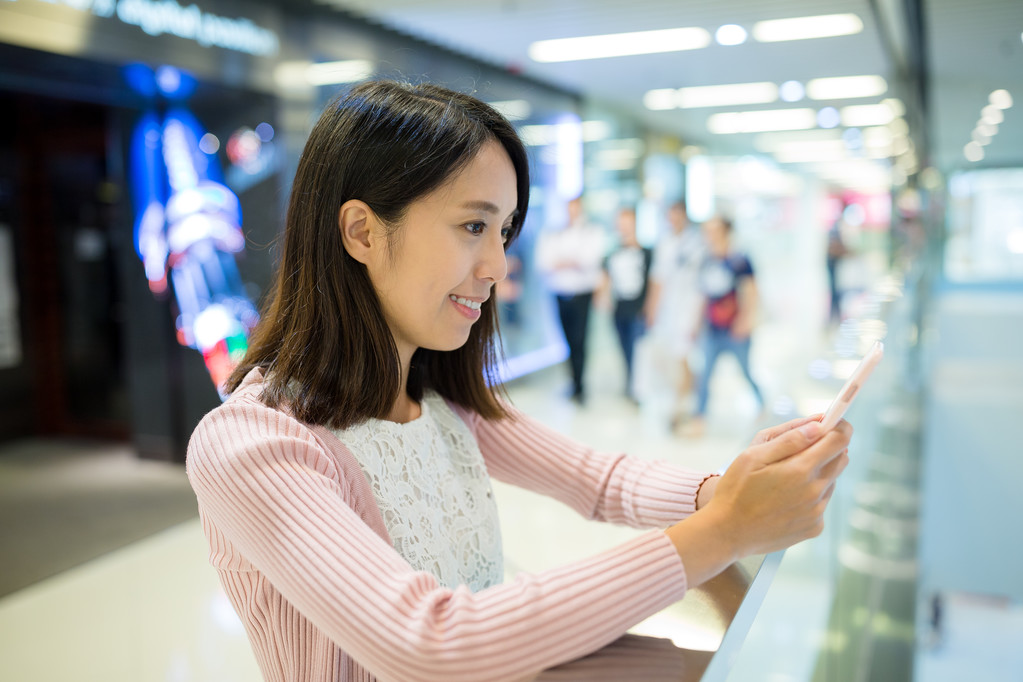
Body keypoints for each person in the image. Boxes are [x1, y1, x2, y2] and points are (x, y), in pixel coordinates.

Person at [186, 80, 852, 682]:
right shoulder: (251, 444)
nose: (498, 265)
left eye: (503, 231)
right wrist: (723, 530)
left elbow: (602, 480)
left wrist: (726, 491)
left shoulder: (438, 401)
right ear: (361, 231)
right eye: (473, 226)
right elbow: (433, 643)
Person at [686, 215, 764, 437]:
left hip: (735, 329)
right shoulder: (706, 260)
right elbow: (703, 296)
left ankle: (763, 406)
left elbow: (751, 292)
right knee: (705, 375)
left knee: (746, 372)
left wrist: (745, 321)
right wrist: (695, 323)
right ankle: (699, 418)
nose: (709, 235)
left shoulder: (739, 260)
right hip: (712, 329)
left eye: (714, 230)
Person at [535, 195, 605, 404]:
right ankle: (573, 382)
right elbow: (544, 262)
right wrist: (572, 260)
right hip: (559, 294)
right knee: (566, 340)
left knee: (580, 340)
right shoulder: (554, 233)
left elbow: (589, 260)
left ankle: (581, 385)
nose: (572, 213)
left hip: (582, 294)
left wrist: (564, 261)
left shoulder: (591, 232)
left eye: (575, 209)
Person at [644, 200, 705, 424]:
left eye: (677, 215)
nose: (673, 220)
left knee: (684, 355)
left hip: (690, 307)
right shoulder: (665, 242)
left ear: (685, 216)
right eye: (670, 216)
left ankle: (683, 406)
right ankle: (684, 399)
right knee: (675, 358)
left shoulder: (697, 243)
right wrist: (651, 308)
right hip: (669, 310)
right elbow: (658, 278)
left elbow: (702, 281)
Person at [599, 205, 652, 401]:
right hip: (620, 309)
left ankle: (638, 390)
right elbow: (605, 278)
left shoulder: (647, 253)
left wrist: (650, 308)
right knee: (624, 349)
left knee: (639, 352)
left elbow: (653, 282)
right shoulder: (613, 253)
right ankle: (630, 384)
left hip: (639, 309)